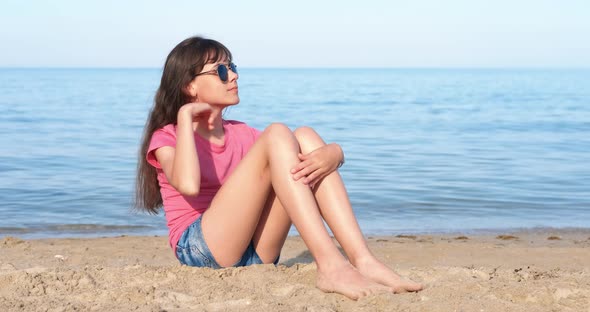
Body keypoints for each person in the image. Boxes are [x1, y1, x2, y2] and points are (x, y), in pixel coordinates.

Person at [135, 36, 423, 300]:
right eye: (221, 70)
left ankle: (363, 260)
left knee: (305, 137)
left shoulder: (243, 134)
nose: (233, 75)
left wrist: (336, 152)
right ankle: (330, 264)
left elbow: (293, 154)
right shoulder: (168, 137)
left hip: (255, 253)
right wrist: (185, 118)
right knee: (278, 133)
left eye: (232, 67)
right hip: (199, 249)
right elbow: (187, 185)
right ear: (190, 86)